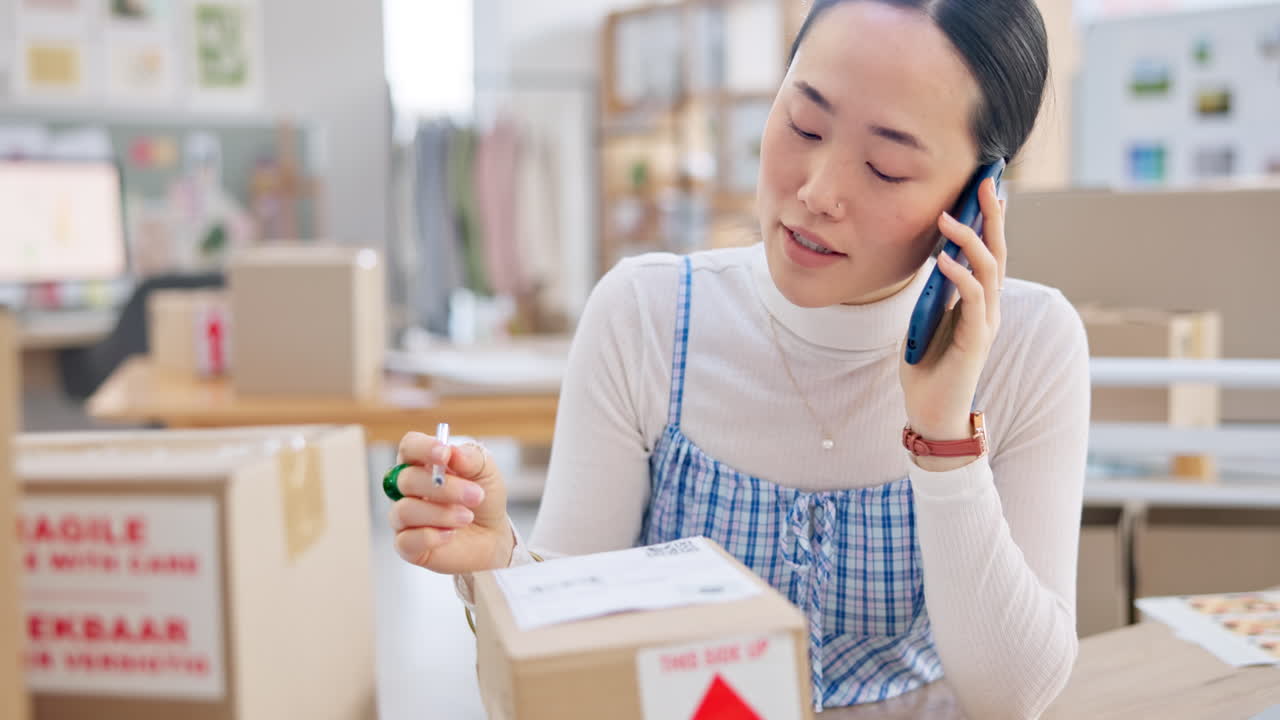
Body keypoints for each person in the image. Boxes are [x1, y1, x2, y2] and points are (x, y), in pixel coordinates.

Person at [387, 1, 1088, 717]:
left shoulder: (1031, 346)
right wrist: (499, 561)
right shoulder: (647, 314)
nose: (816, 192)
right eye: (803, 125)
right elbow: (575, 646)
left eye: (886, 167)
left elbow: (1012, 696)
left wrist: (945, 442)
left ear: (980, 197)